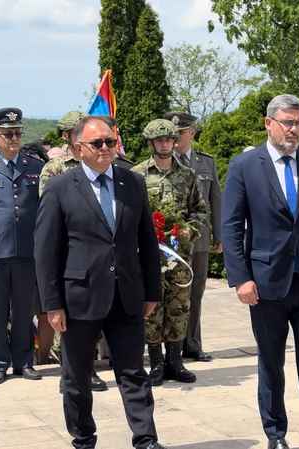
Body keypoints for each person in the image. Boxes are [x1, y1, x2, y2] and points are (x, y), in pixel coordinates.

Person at [222, 94, 299, 449]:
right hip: (266, 284)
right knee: (271, 363)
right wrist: (240, 277)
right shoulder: (245, 166)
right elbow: (231, 226)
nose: (294, 130)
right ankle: (275, 434)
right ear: (269, 124)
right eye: (288, 123)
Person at [34, 115, 165, 449]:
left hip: (126, 294)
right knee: (76, 377)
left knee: (133, 373)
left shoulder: (132, 182)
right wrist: (52, 304)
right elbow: (46, 251)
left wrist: (152, 291)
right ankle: (83, 439)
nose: (106, 148)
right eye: (97, 143)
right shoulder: (60, 188)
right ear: (79, 148)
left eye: (110, 141)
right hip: (79, 298)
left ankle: (146, 439)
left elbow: (147, 241)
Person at [133, 118, 208, 385]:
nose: (164, 144)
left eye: (168, 140)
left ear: (174, 142)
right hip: (149, 255)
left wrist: (188, 230)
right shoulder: (137, 175)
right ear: (151, 143)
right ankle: (156, 363)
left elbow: (200, 210)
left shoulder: (187, 175)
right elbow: (129, 214)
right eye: (159, 140)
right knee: (152, 307)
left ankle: (175, 361)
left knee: (179, 306)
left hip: (179, 256)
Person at [39, 118, 109, 392]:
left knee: (91, 323)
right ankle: (71, 375)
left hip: (96, 257)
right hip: (67, 251)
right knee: (69, 326)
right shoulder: (55, 169)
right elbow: (49, 212)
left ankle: (87, 370)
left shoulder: (103, 165)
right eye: (68, 132)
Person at [0, 107, 44, 385]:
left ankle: (24, 362)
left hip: (26, 248)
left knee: (24, 309)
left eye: (17, 134)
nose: (14, 139)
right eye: (8, 134)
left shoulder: (35, 166)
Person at [165, 111, 222, 363]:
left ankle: (192, 344)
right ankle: (170, 347)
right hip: (171, 241)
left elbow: (215, 200)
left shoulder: (206, 162)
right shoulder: (163, 160)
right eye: (173, 133)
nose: (176, 138)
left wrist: (219, 235)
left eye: (180, 133)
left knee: (195, 293)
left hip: (198, 239)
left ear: (192, 133)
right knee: (171, 294)